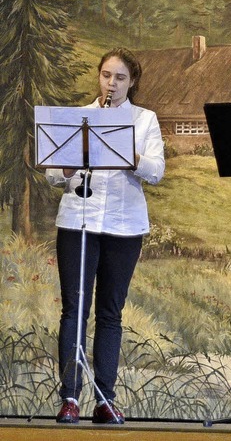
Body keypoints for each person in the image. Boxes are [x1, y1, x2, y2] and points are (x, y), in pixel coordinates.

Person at [46, 48, 165, 424]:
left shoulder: (145, 120)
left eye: (119, 78)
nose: (110, 84)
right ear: (98, 77)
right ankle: (70, 397)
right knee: (73, 311)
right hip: (77, 221)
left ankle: (104, 398)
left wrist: (127, 151)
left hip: (123, 226)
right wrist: (66, 165)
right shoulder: (79, 117)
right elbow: (53, 175)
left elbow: (157, 171)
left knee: (110, 314)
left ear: (132, 83)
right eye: (105, 76)